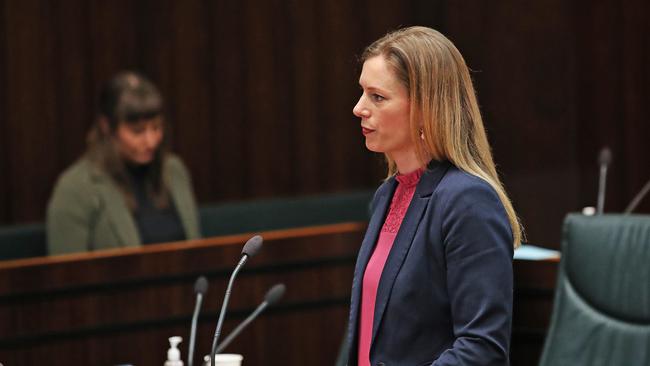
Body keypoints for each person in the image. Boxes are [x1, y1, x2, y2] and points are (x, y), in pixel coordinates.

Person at [346, 26, 522, 365]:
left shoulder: (467, 201)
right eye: (361, 93)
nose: (358, 108)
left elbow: (482, 350)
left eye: (377, 97)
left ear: (426, 108)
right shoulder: (387, 195)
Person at [47, 71, 200, 255]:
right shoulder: (75, 188)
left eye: (157, 127)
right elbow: (66, 274)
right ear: (106, 126)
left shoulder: (174, 171)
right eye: (137, 131)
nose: (151, 141)